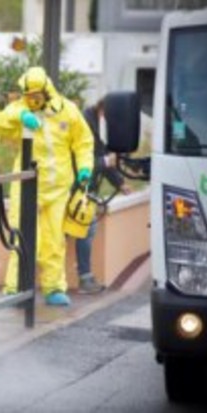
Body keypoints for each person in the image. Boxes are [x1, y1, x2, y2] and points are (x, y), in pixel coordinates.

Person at [0, 66, 94, 306]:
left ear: (47, 92)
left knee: (54, 240)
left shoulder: (67, 112)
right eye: (28, 96)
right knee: (22, 234)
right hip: (27, 184)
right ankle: (14, 287)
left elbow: (83, 142)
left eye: (36, 96)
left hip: (59, 187)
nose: (32, 101)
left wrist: (85, 169)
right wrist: (19, 116)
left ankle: (53, 288)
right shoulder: (21, 109)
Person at [74, 98, 132, 294]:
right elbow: (83, 160)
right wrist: (107, 161)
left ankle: (84, 277)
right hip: (77, 187)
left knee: (84, 229)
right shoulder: (86, 121)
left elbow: (102, 155)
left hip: (84, 188)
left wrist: (120, 183)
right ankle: (84, 278)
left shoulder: (95, 122)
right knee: (84, 229)